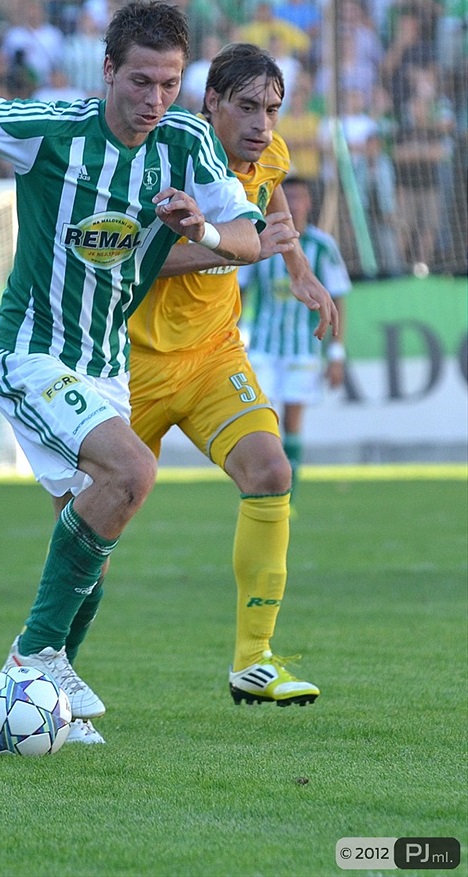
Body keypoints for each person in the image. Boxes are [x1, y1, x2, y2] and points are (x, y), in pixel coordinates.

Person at [0, 0, 290, 746]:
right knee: (133, 474)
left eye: (169, 84)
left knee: (93, 534)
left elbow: (246, 238)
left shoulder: (184, 144)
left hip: (105, 367)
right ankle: (33, 657)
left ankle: (53, 702)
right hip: (29, 355)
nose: (154, 101)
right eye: (140, 81)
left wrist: (200, 227)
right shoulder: (51, 132)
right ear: (107, 71)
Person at [128, 43, 338, 713]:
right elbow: (129, 262)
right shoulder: (160, 156)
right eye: (248, 107)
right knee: (94, 528)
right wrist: (222, 246)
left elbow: (274, 211)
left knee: (271, 470)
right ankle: (46, 664)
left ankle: (254, 660)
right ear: (209, 101)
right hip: (128, 362)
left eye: (273, 110)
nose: (262, 125)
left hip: (215, 355)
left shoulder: (267, 157)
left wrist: (299, 270)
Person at [238, 176, 352, 499]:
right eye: (288, 197)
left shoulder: (321, 246)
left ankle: (290, 493)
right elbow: (242, 289)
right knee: (264, 418)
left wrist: (336, 353)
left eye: (300, 197)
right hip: (263, 345)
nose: (295, 204)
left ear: (308, 203)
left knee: (293, 419)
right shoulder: (261, 240)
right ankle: (267, 483)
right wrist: (237, 332)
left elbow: (338, 295)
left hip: (304, 347)